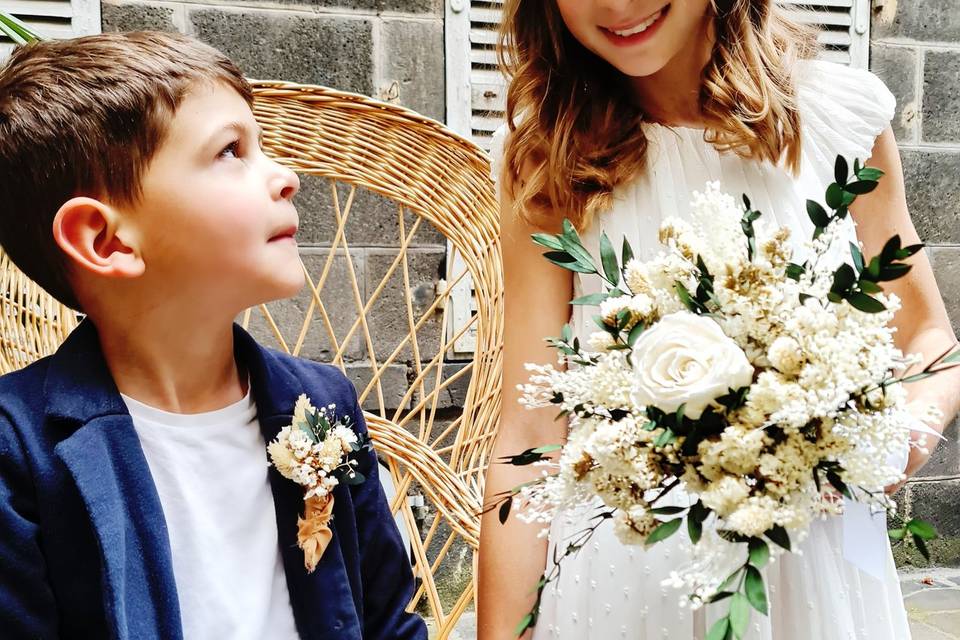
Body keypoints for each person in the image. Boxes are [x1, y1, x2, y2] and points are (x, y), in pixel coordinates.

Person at [478, 1, 960, 638]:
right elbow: (527, 432)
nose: (617, 5)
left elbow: (930, 340)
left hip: (808, 573)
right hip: (623, 582)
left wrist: (889, 441)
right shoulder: (548, 156)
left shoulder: (840, 120)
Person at [0, 31, 427, 640]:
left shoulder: (323, 405)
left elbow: (387, 622)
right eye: (231, 151)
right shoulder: (18, 451)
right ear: (107, 241)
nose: (285, 177)